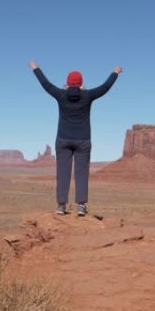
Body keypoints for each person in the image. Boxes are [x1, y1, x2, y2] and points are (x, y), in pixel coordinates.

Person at [29, 60, 122, 216]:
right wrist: (115, 72)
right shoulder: (87, 95)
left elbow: (46, 84)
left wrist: (36, 68)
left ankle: (61, 206)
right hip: (83, 140)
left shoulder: (61, 94)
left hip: (63, 139)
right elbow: (105, 87)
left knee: (63, 171)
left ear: (67, 83)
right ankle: (81, 206)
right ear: (81, 83)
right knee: (82, 172)